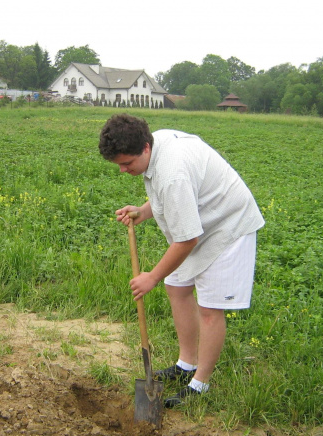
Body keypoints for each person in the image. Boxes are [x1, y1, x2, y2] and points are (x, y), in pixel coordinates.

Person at [99, 114, 264, 407]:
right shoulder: (156, 148)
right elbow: (172, 199)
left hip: (227, 225)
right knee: (177, 287)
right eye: (119, 165)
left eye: (127, 164)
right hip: (201, 219)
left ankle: (200, 384)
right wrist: (143, 210)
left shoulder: (173, 172)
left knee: (210, 308)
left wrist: (152, 276)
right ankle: (186, 364)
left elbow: (187, 239)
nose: (123, 170)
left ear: (145, 148)